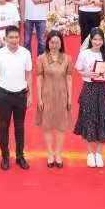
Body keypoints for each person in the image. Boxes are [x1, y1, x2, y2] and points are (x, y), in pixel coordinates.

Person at [0, 26, 33, 170]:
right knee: (3, 126)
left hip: (21, 94)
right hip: (4, 94)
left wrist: (30, 95)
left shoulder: (25, 53)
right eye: (11, 37)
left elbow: (29, 74)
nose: (14, 40)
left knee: (20, 127)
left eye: (16, 37)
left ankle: (20, 156)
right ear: (5, 39)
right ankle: (5, 157)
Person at [73, 27, 105, 167]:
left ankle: (99, 153)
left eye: (100, 39)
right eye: (95, 39)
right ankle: (90, 153)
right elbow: (78, 69)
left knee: (102, 118)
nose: (97, 42)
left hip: (102, 89)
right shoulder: (84, 54)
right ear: (90, 40)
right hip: (88, 88)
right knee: (88, 118)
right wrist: (87, 74)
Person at [34, 29, 72, 168]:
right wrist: (39, 98)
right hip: (47, 95)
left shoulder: (67, 58)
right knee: (47, 126)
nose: (54, 45)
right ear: (47, 43)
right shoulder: (41, 58)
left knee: (61, 126)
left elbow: (69, 78)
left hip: (62, 96)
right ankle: (50, 153)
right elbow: (39, 78)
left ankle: (58, 154)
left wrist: (69, 98)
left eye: (57, 42)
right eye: (51, 42)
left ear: (61, 43)